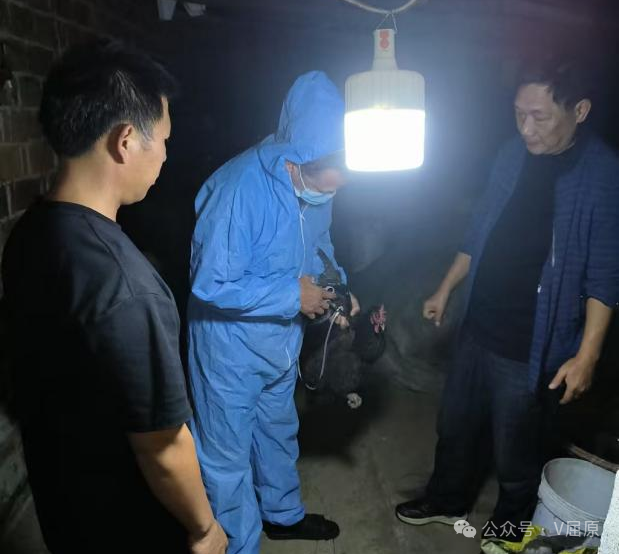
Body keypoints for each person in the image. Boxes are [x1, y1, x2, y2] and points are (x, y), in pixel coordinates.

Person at [1, 40, 227, 554]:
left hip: (63, 501)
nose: (165, 154)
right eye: (163, 140)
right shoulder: (125, 285)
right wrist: (204, 528)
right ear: (125, 141)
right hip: (127, 524)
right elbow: (164, 447)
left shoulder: (30, 233)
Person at [396, 57, 619, 542]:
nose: (526, 128)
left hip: (529, 346)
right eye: (518, 114)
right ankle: (446, 500)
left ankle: (508, 530)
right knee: (454, 427)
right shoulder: (512, 155)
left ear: (580, 111)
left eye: (540, 117)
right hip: (478, 326)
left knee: (515, 452)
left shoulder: (602, 175)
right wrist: (445, 288)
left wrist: (587, 356)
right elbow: (479, 231)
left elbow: (605, 276)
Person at [187, 71, 359, 554]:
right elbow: (211, 283)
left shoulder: (317, 189)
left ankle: (282, 516)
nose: (337, 190)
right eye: (333, 180)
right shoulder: (239, 189)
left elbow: (319, 246)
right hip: (228, 353)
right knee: (226, 459)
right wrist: (292, 296)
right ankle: (238, 546)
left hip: (280, 343)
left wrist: (338, 288)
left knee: (278, 431)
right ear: (298, 158)